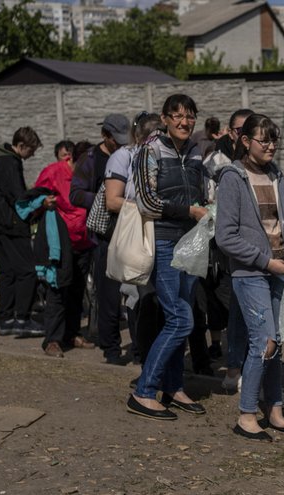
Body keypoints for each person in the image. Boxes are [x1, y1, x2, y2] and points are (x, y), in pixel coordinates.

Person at [214, 113, 284, 440]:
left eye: (273, 139)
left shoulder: (276, 175)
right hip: (251, 272)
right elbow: (226, 236)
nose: (270, 146)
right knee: (262, 342)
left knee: (275, 342)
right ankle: (247, 415)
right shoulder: (232, 178)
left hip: (280, 269)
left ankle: (275, 410)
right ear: (246, 141)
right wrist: (266, 262)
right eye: (264, 140)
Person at [127, 94, 208, 421]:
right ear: (164, 119)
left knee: (182, 314)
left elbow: (204, 192)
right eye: (178, 116)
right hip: (163, 242)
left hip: (192, 242)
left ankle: (174, 386)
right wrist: (188, 210)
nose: (185, 122)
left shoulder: (196, 153)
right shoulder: (149, 151)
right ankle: (144, 390)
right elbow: (147, 203)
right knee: (180, 318)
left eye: (190, 116)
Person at [104, 112, 164, 365]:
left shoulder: (162, 155)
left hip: (157, 232)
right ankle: (141, 353)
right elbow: (113, 200)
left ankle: (152, 356)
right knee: (138, 295)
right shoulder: (125, 156)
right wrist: (155, 207)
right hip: (137, 232)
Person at [72, 113, 131, 365]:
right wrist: (102, 199)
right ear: (104, 136)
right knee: (108, 295)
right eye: (115, 138)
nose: (119, 143)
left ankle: (139, 348)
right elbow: (75, 194)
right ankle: (111, 348)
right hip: (104, 236)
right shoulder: (90, 159)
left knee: (134, 293)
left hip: (130, 231)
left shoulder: (131, 154)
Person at [34, 139, 98, 357]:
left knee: (77, 290)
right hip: (61, 243)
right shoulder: (53, 172)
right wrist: (43, 203)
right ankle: (52, 340)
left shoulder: (88, 175)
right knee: (58, 290)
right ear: (72, 158)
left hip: (84, 241)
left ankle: (72, 333)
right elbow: (33, 198)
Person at [204, 108, 253, 394]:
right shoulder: (218, 163)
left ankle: (253, 374)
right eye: (239, 131)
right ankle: (237, 370)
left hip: (257, 253)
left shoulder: (265, 166)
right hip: (227, 252)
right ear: (231, 133)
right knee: (236, 310)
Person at [0, 126, 47, 338]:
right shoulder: (10, 163)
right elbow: (18, 197)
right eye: (31, 150)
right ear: (20, 146)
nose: (32, 155)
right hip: (11, 225)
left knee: (8, 272)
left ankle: (7, 320)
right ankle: (22, 318)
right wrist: (39, 199)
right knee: (27, 271)